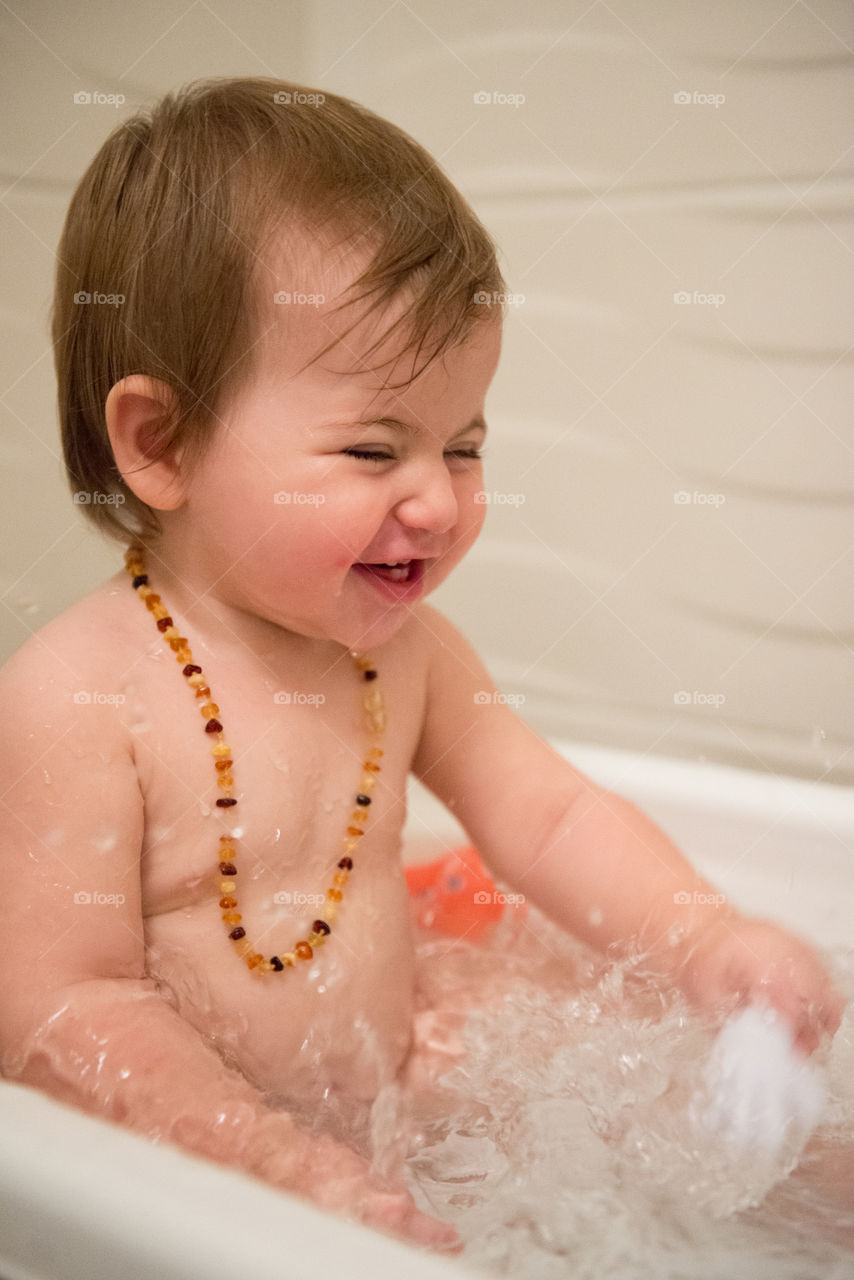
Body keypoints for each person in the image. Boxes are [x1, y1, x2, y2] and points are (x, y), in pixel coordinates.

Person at [0, 77, 843, 1254]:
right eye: (370, 447)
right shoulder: (78, 696)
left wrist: (709, 938)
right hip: (193, 1170)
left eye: (463, 443)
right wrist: (269, 1161)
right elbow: (60, 1008)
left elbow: (545, 816)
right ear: (161, 442)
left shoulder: (406, 653)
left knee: (753, 1152)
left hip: (406, 1061)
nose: (438, 498)